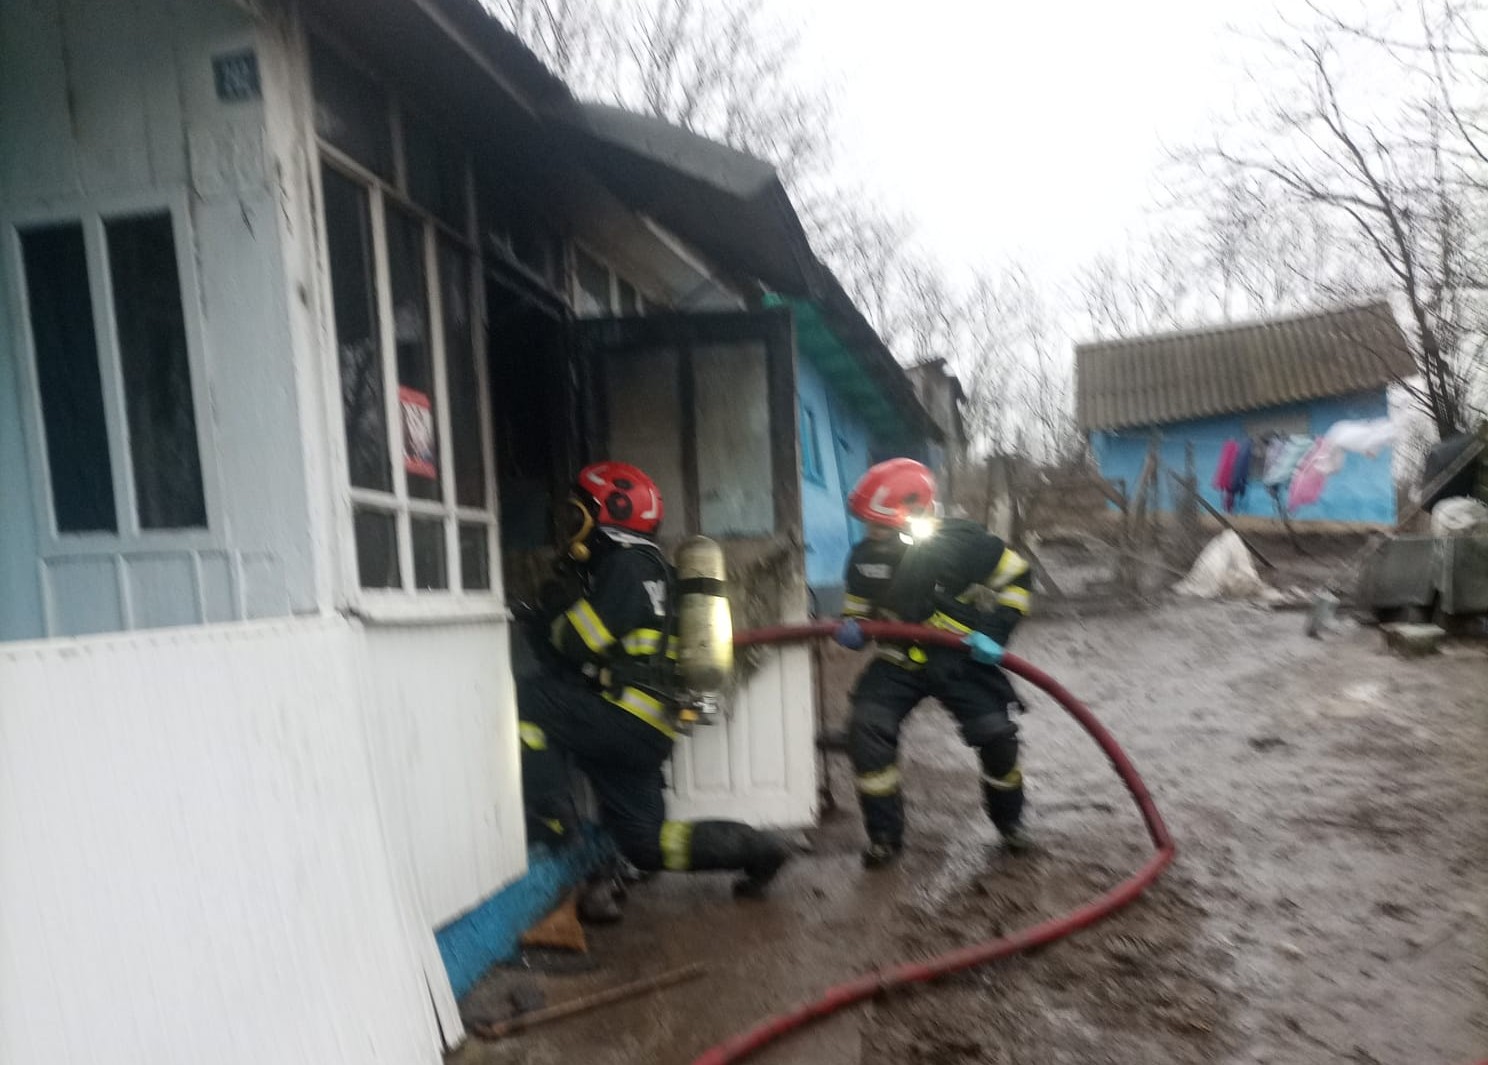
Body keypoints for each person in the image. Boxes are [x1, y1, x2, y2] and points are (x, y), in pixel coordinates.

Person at [517, 461, 792, 916]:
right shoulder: (660, 572)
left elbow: (577, 640)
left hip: (620, 718)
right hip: (648, 729)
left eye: (579, 514)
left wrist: (551, 617)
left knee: (527, 699)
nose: (570, 526)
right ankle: (758, 848)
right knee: (648, 844)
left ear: (610, 513)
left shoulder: (628, 565)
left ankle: (553, 818)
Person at [833, 458, 1034, 868]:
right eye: (868, 524)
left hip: (961, 659)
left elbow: (1017, 579)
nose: (870, 533)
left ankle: (1010, 823)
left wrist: (995, 633)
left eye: (879, 525)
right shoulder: (863, 559)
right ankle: (884, 836)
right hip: (898, 660)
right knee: (867, 727)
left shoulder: (965, 544)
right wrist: (853, 628)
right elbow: (855, 613)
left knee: (996, 736)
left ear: (914, 516)